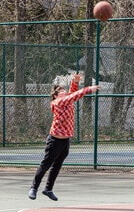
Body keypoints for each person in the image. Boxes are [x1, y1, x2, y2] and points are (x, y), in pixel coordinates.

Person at [28, 73, 100, 201]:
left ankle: (48, 189)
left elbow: (72, 93)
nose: (64, 92)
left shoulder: (66, 99)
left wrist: (75, 81)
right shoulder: (58, 102)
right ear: (55, 95)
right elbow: (73, 95)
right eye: (61, 91)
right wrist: (88, 89)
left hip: (65, 140)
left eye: (64, 91)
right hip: (54, 140)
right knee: (46, 165)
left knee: (57, 165)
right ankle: (33, 188)